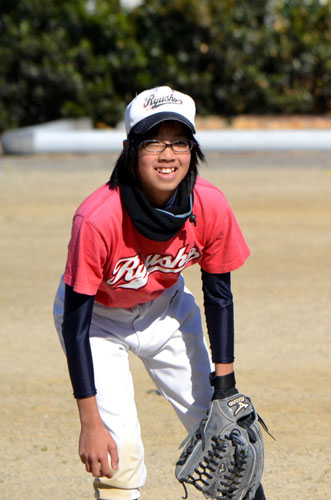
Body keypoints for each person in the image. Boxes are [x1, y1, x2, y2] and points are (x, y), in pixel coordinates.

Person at [52, 86, 265, 500]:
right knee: (120, 461)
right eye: (153, 141)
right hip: (98, 323)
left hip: (166, 312)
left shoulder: (210, 205)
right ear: (130, 148)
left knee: (228, 442)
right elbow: (76, 323)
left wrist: (226, 384)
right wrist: (90, 421)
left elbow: (218, 294)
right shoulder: (97, 218)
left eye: (180, 142)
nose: (168, 155)